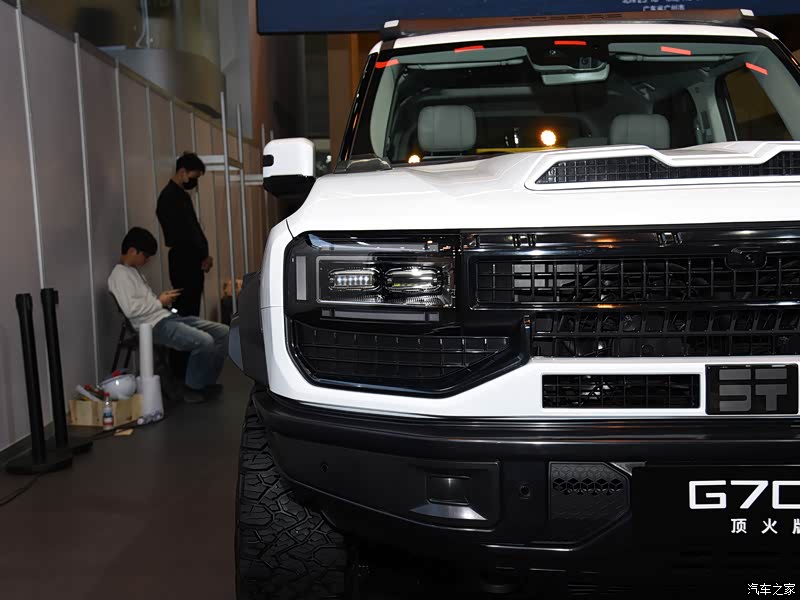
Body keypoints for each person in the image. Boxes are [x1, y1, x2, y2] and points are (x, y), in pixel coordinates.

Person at [108, 227, 229, 403]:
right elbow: (131, 310)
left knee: (224, 332)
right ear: (133, 251)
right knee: (205, 341)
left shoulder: (133, 272)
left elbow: (144, 304)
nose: (147, 260)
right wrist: (159, 301)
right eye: (146, 255)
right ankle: (192, 387)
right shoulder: (118, 276)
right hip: (153, 325)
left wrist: (161, 300)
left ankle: (205, 383)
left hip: (165, 317)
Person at [156, 152, 212, 317]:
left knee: (191, 304)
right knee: (186, 306)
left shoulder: (179, 196)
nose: (195, 182)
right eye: (194, 176)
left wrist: (203, 254)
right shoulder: (171, 198)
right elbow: (187, 232)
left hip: (189, 259)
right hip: (185, 260)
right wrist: (201, 254)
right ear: (183, 172)